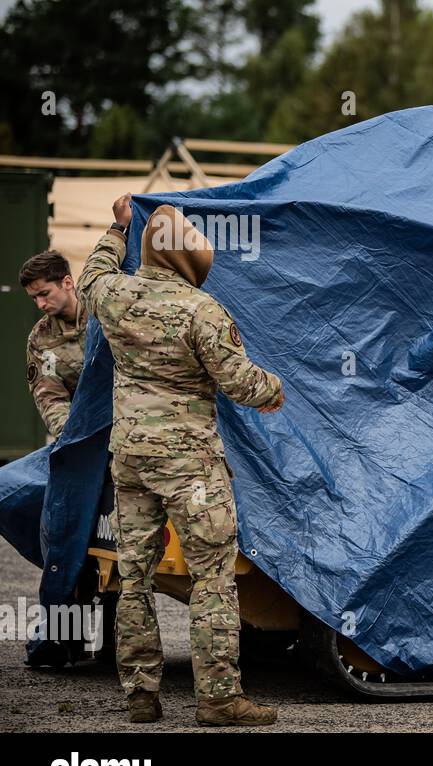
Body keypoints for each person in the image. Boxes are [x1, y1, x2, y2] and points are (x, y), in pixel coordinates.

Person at [78, 194, 285, 726]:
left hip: (130, 460)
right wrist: (274, 388)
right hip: (191, 467)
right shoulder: (202, 310)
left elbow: (91, 276)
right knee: (212, 575)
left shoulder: (116, 295)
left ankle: (141, 695)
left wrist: (117, 227)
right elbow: (240, 382)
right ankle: (218, 699)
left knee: (134, 575)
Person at [21, 250, 86, 440]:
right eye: (34, 298)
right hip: (86, 427)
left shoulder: (103, 312)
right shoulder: (40, 339)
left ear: (67, 283)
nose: (40, 304)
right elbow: (50, 397)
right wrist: (71, 437)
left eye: (44, 294)